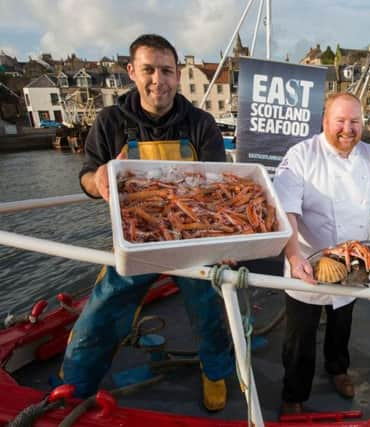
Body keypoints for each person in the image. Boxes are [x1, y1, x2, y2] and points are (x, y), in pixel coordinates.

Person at [61, 34, 234, 411]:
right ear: (131, 73)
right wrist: (100, 178)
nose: (159, 79)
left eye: (167, 71)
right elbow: (88, 178)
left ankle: (216, 372)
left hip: (192, 243)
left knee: (208, 310)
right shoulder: (110, 122)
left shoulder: (201, 124)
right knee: (102, 310)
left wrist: (225, 246)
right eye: (149, 70)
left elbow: (220, 188)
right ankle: (75, 385)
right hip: (136, 243)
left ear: (178, 76)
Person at [273, 92, 370, 414]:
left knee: (342, 322)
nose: (348, 128)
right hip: (308, 260)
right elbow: (286, 210)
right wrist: (294, 257)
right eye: (341, 121)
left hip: (354, 263)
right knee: (299, 337)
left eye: (355, 122)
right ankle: (294, 395)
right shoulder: (301, 156)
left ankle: (337, 369)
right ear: (325, 122)